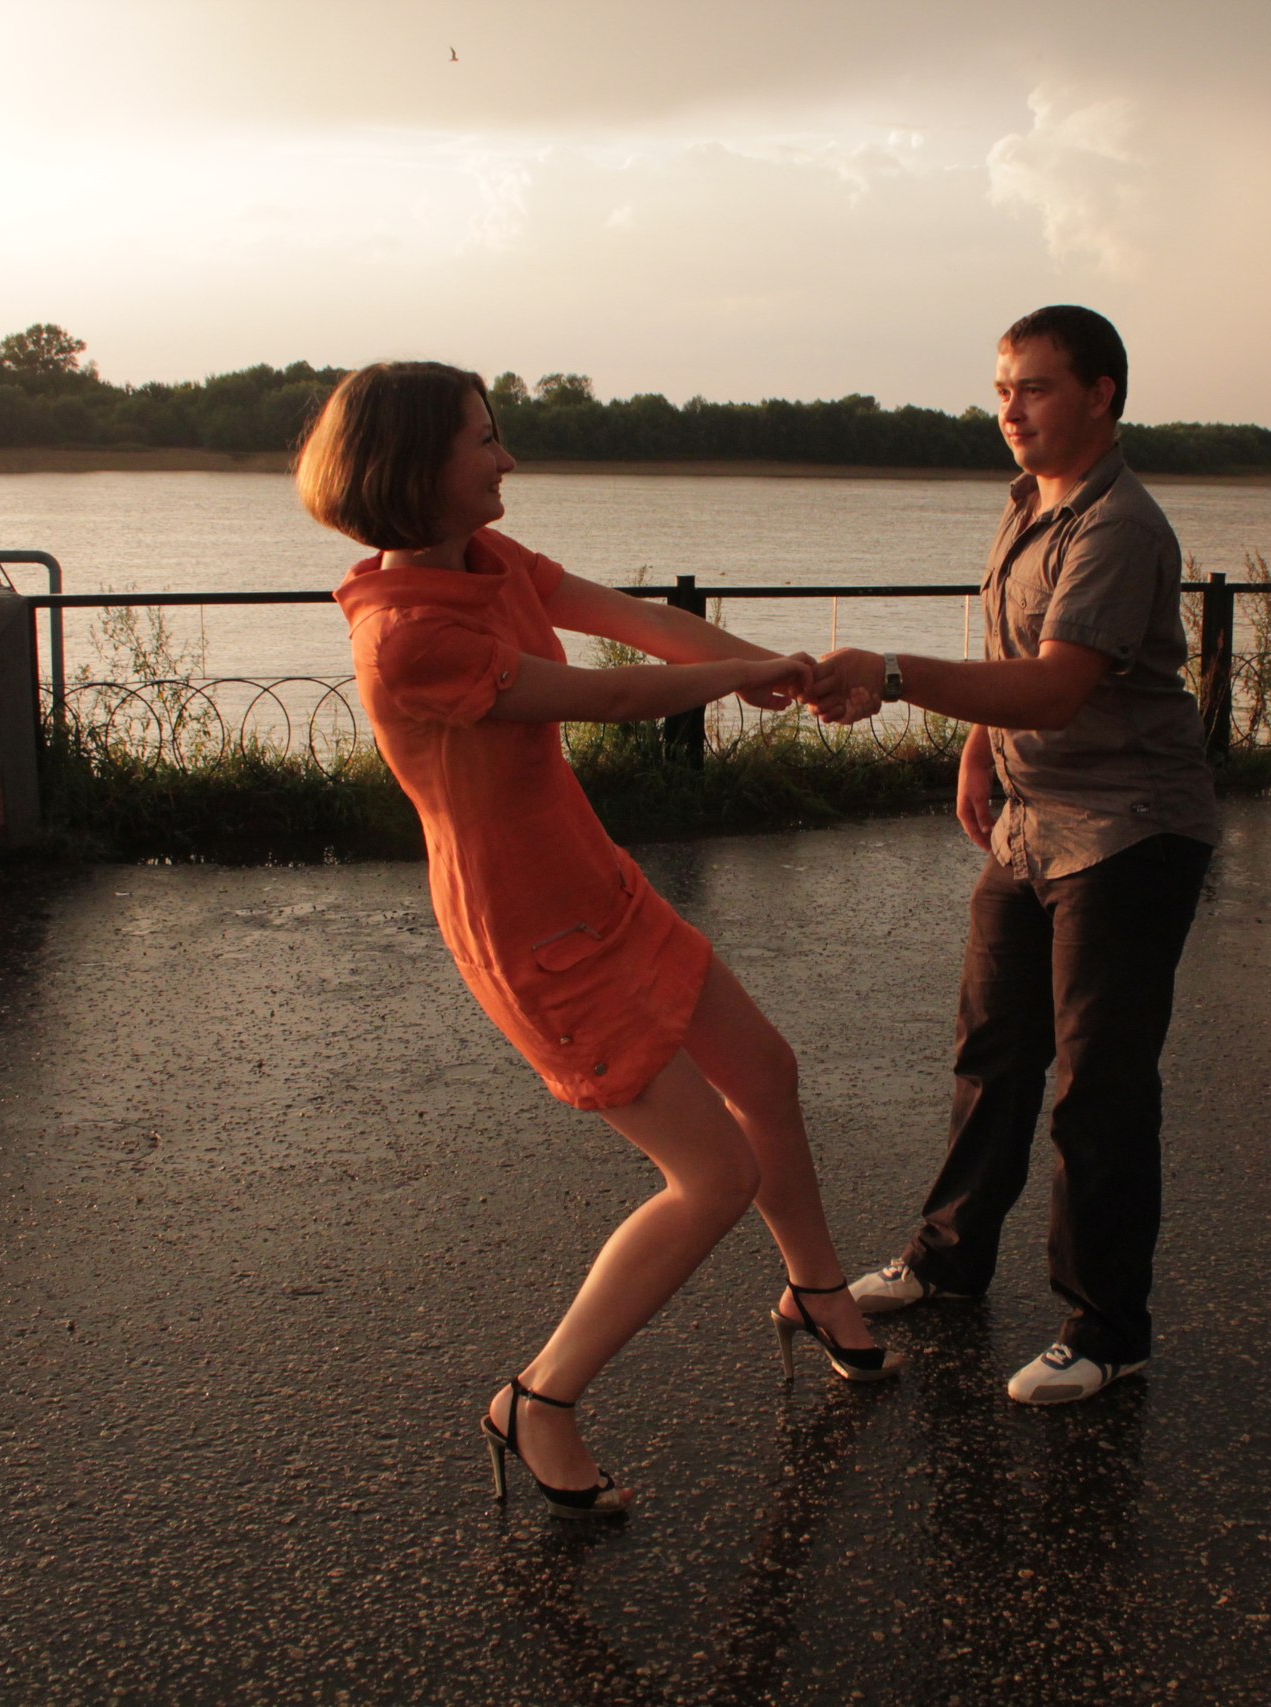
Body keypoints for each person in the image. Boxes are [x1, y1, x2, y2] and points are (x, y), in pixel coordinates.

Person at [300, 361, 900, 1520]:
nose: (507, 457)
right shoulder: (407, 635)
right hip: (532, 938)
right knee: (711, 1175)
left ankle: (816, 1288)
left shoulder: (487, 561)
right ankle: (540, 1398)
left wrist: (764, 667)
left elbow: (638, 624)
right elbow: (611, 697)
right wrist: (736, 678)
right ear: (415, 465)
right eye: (484, 439)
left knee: (766, 1074)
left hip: (598, 888)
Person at [808, 305, 1218, 1406]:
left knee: (1099, 1084)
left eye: (1033, 387)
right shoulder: (1028, 503)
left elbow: (1056, 684)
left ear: (1101, 394)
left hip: (1129, 829)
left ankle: (1107, 1328)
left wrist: (895, 675)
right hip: (1033, 822)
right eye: (1001, 389)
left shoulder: (1119, 525)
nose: (1010, 409)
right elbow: (1011, 655)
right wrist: (977, 749)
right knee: (991, 1052)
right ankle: (948, 1260)